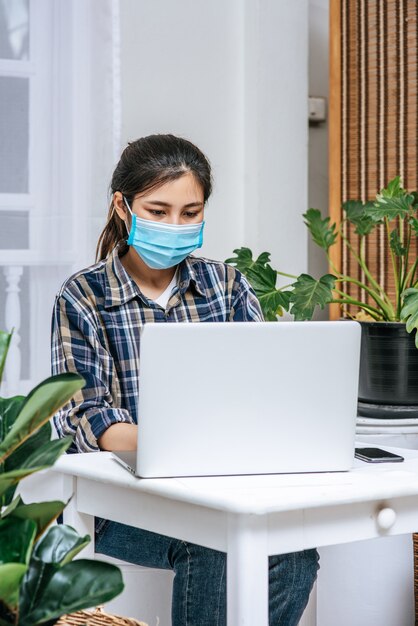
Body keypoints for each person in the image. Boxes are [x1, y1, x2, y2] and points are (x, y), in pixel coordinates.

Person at [51, 134, 319, 626]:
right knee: (211, 546)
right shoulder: (83, 296)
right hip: (119, 503)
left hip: (225, 487)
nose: (175, 225)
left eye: (190, 213)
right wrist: (189, 446)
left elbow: (268, 391)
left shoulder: (227, 286)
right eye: (158, 210)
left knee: (296, 554)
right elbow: (85, 422)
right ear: (122, 205)